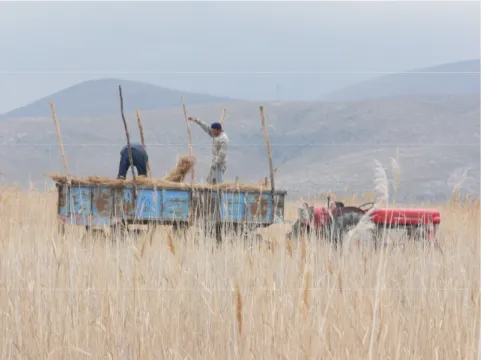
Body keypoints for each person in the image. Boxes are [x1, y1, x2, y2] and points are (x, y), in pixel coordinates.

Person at [188, 116, 229, 184]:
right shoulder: (215, 134)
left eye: (213, 131)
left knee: (217, 182)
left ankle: (217, 193)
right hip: (214, 162)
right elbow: (206, 127)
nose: (212, 132)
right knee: (210, 181)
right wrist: (196, 120)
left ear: (218, 130)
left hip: (219, 164)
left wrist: (215, 163)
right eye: (212, 131)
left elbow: (222, 154)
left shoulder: (223, 139)